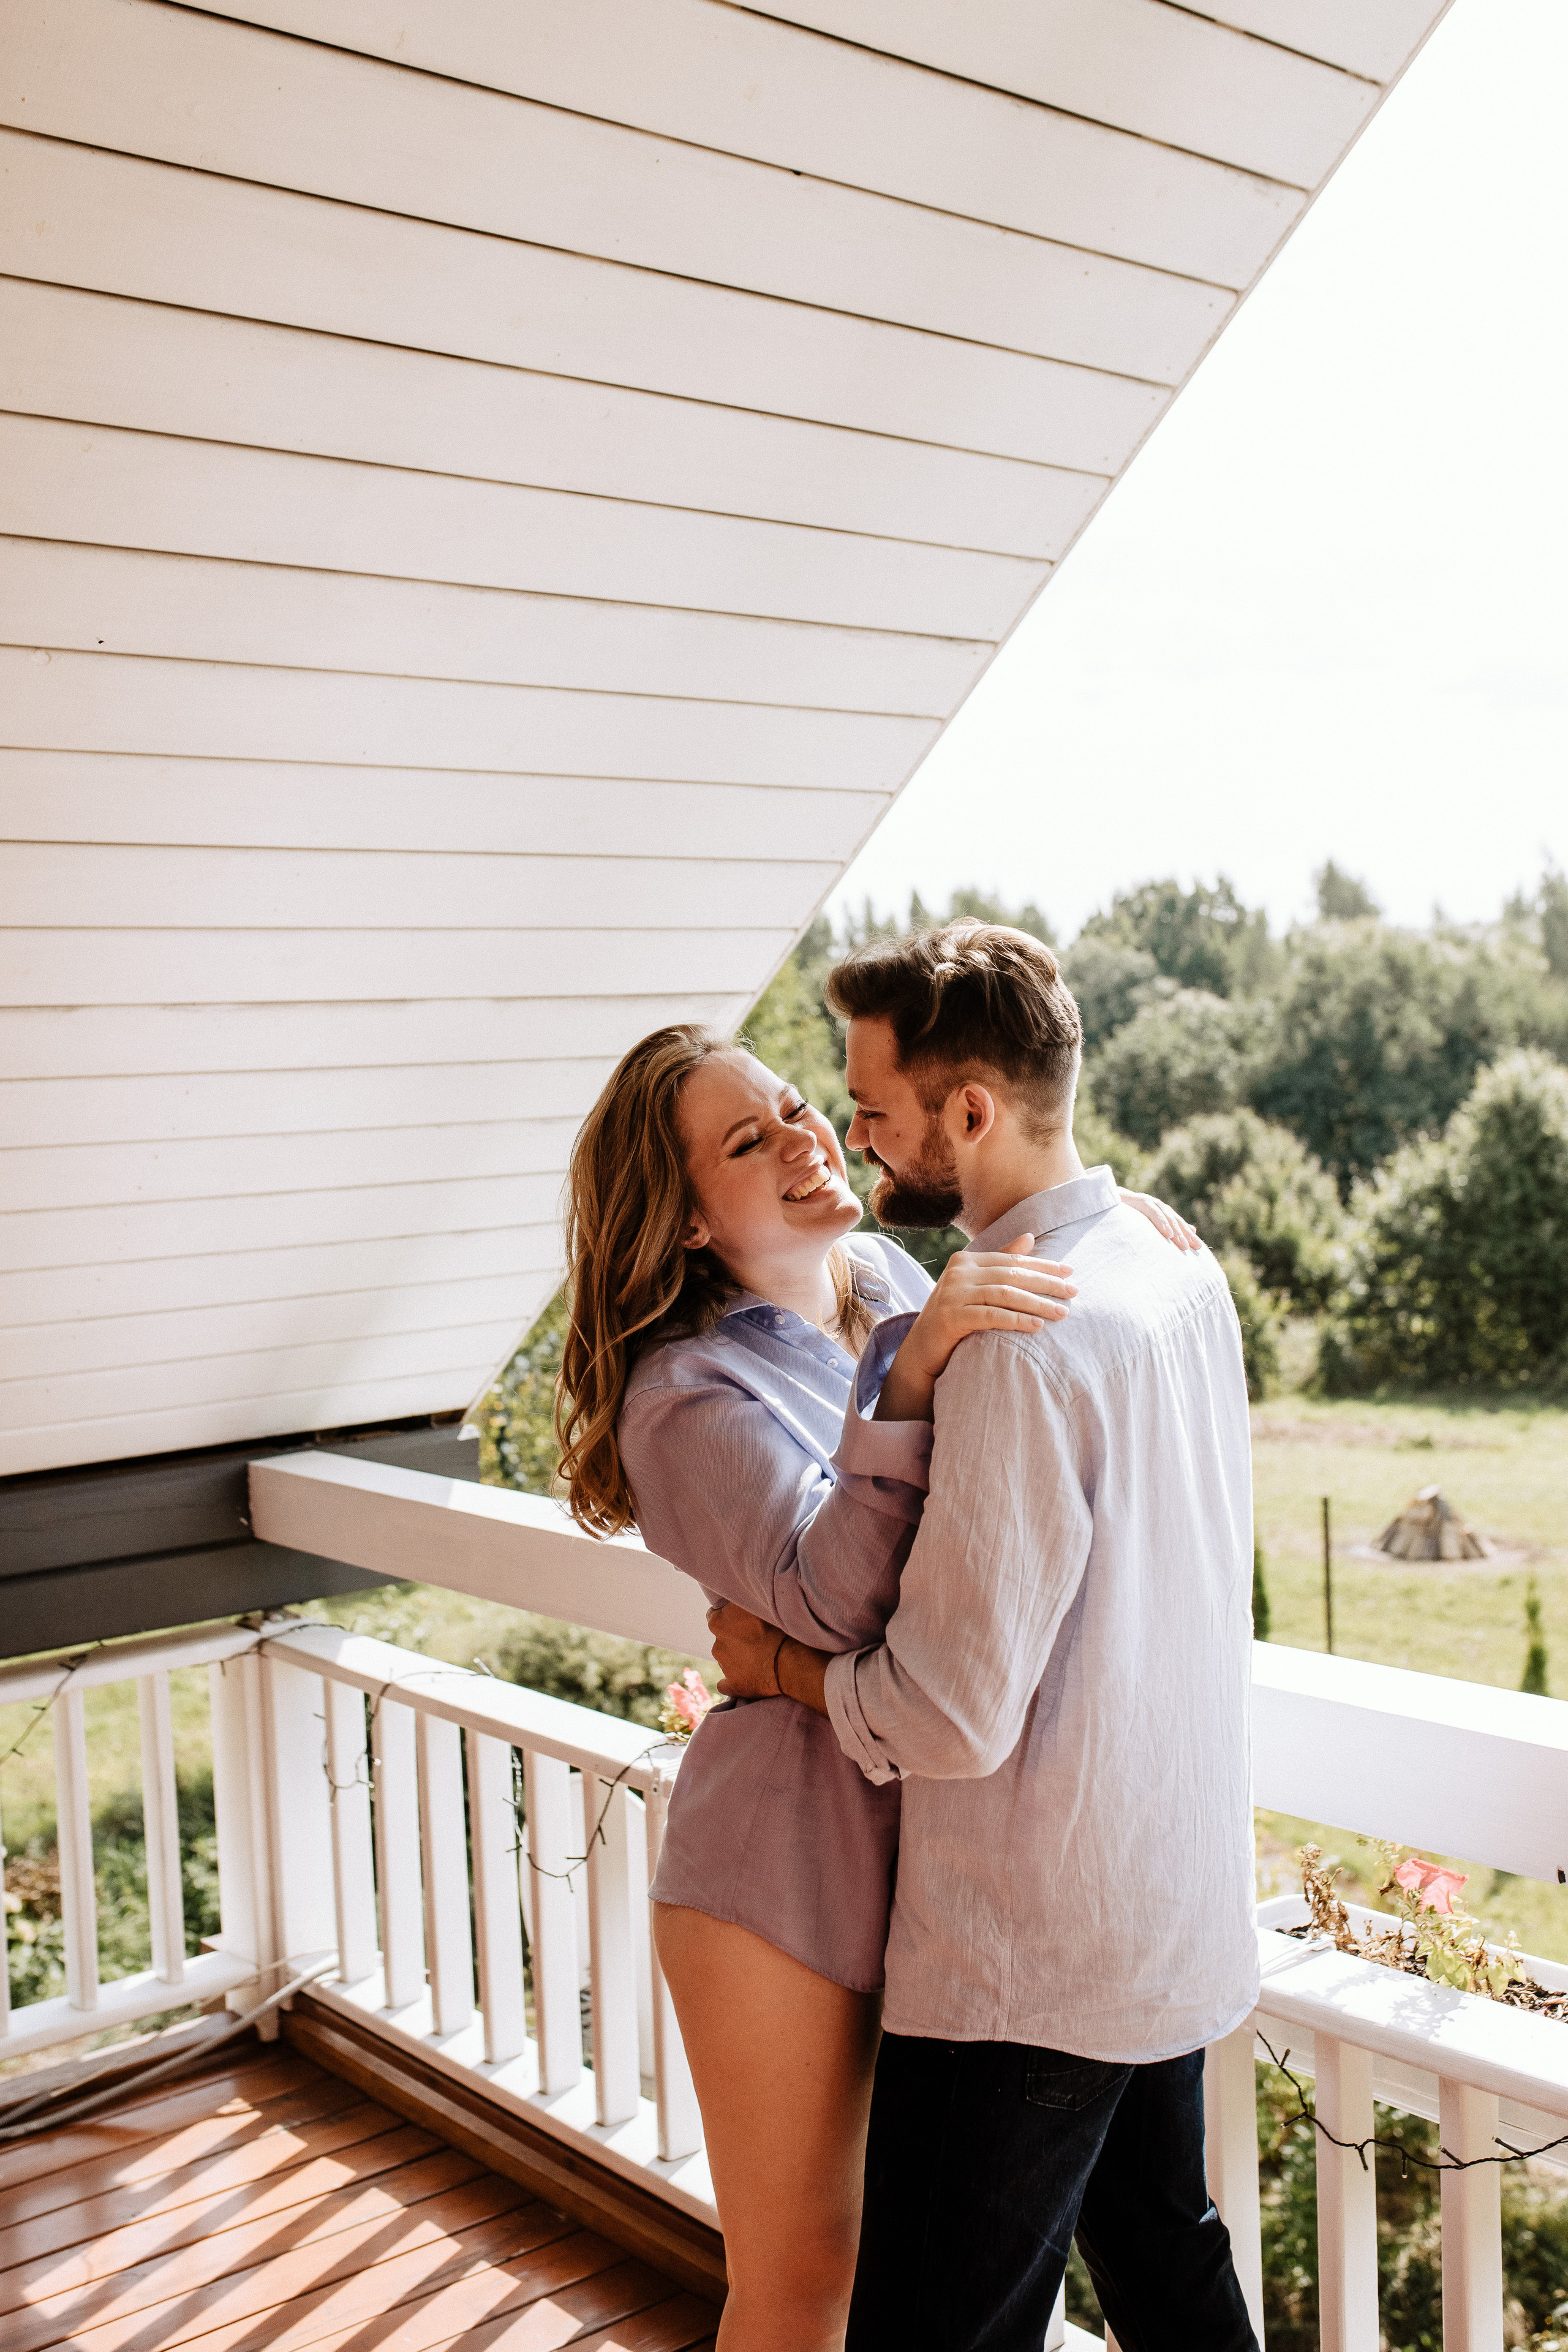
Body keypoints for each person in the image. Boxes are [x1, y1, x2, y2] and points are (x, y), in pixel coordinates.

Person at [557, 1020, 1199, 2351]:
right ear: (680, 1220)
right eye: (748, 1141)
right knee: (805, 2287)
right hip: (781, 1882)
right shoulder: (681, 1397)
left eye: (794, 1105)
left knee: (968, 2256)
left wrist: (1098, 1212)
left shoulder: (887, 1273)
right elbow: (840, 1598)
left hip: (950, 1875)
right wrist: (907, 1385)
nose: (802, 1137)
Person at [709, 922, 1262, 2352]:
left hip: (1026, 1957)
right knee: (1168, 2264)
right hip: (1160, 1906)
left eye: (875, 1110)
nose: (855, 1138)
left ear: (970, 1110)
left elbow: (949, 1715)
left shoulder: (1015, 1346)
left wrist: (780, 1669)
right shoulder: (1168, 1263)